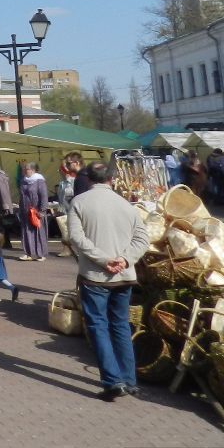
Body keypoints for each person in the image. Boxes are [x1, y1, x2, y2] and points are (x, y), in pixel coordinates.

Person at [67, 160, 151, 401]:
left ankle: (113, 381)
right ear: (111, 179)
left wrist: (103, 260)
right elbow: (143, 239)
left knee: (98, 326)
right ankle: (129, 380)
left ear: (89, 179)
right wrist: (125, 260)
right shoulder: (126, 205)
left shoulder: (79, 202)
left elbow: (75, 237)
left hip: (95, 276)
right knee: (121, 325)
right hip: (124, 277)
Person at [18, 163, 49, 261]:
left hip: (36, 211)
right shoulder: (23, 181)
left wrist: (42, 210)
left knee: (38, 232)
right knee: (26, 232)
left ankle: (41, 254)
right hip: (25, 211)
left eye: (26, 169)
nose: (24, 171)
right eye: (24, 169)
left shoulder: (39, 181)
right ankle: (28, 253)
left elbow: (44, 196)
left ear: (33, 170)